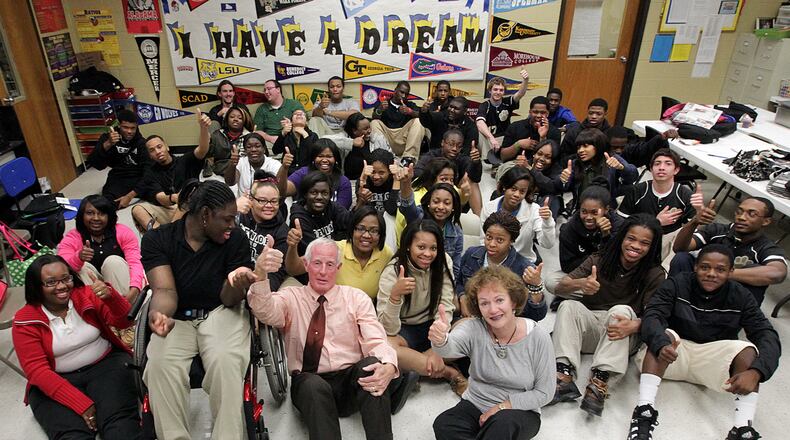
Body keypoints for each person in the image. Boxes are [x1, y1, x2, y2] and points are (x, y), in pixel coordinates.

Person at [248, 238, 418, 440]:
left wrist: (389, 365)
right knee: (312, 385)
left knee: (373, 365)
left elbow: (376, 338)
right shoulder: (290, 297)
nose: (323, 271)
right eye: (317, 263)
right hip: (309, 383)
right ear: (306, 265)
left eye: (330, 265)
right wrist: (260, 274)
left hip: (349, 382)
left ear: (338, 268)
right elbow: (264, 311)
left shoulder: (356, 298)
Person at [628, 244, 781, 440]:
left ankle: (742, 429)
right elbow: (653, 315)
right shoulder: (677, 284)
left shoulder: (741, 296)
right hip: (673, 355)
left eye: (720, 269)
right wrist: (660, 343)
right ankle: (643, 413)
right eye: (705, 267)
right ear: (695, 267)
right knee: (662, 334)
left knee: (747, 350)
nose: (711, 274)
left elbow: (766, 334)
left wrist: (757, 372)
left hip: (712, 364)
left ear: (731, 272)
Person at [141, 180, 255, 439]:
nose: (232, 225)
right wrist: (160, 314)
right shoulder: (157, 239)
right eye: (227, 219)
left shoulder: (235, 238)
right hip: (177, 317)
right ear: (205, 215)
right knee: (159, 365)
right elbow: (165, 291)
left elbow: (229, 300)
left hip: (219, 311)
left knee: (226, 361)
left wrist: (236, 283)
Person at [12, 254, 140, 440]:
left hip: (107, 366)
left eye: (66, 278)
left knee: (120, 425)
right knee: (71, 435)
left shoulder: (87, 295)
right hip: (55, 379)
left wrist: (111, 297)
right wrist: (82, 404)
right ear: (36, 287)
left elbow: (123, 322)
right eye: (51, 282)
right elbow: (37, 371)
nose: (62, 286)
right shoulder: (25, 320)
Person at [550, 214, 666, 417]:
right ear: (622, 237)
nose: (636, 246)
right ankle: (564, 376)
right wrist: (581, 284)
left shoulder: (655, 273)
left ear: (652, 247)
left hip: (622, 335)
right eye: (631, 238)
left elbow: (658, 315)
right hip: (593, 327)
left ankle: (599, 381)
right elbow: (560, 286)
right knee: (568, 305)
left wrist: (637, 325)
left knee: (621, 311)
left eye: (644, 243)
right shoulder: (600, 259)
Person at [431, 265, 555, 440]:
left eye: (499, 300)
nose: (493, 309)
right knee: (444, 424)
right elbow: (448, 348)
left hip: (518, 411)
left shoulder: (538, 337)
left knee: (501, 426)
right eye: (484, 303)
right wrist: (440, 339)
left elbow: (545, 393)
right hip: (476, 403)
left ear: (513, 301)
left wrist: (502, 406)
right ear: (478, 307)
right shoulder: (473, 328)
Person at [377, 220, 467, 395]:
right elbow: (388, 328)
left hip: (434, 325)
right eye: (421, 247)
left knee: (470, 327)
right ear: (408, 246)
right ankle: (450, 372)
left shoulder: (443, 261)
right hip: (404, 331)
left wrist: (439, 345)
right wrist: (395, 296)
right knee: (384, 347)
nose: (428, 254)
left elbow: (446, 306)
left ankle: (415, 368)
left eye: (433, 248)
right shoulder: (392, 272)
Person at [670, 196, 787, 305]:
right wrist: (694, 222)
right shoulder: (718, 230)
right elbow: (679, 248)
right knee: (682, 258)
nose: (741, 217)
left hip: (729, 303)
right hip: (699, 288)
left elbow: (777, 273)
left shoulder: (766, 247)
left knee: (756, 277)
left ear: (766, 221)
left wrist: (722, 273)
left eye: (752, 214)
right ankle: (675, 303)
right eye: (739, 212)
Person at [57, 194, 144, 317]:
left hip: (121, 289)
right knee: (80, 268)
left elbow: (135, 262)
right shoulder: (73, 237)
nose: (96, 218)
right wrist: (78, 258)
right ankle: (101, 316)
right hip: (93, 291)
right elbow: (61, 270)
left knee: (113, 261)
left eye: (101, 213)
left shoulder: (122, 232)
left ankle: (122, 314)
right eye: (90, 213)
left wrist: (135, 288)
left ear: (109, 216)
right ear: (82, 216)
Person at [455, 211, 548, 321]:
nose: (492, 244)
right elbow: (458, 282)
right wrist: (462, 297)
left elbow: (536, 316)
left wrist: (536, 286)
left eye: (500, 240)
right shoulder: (471, 254)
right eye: (489, 237)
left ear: (511, 241)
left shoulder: (524, 268)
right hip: (471, 317)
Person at [286, 206, 393, 300]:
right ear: (352, 231)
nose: (366, 235)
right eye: (360, 229)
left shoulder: (386, 254)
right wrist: (293, 246)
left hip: (365, 313)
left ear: (381, 235)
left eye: (374, 231)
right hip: (332, 310)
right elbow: (294, 269)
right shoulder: (334, 249)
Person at [131, 109, 211, 232]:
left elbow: (203, 149)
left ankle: (167, 236)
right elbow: (160, 198)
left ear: (167, 147)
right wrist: (174, 198)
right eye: (152, 150)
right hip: (168, 208)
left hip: (191, 209)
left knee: (187, 199)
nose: (157, 152)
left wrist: (203, 128)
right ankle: (162, 235)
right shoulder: (150, 173)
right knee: (137, 209)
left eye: (159, 146)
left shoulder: (184, 161)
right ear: (149, 156)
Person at [617, 149, 700, 260]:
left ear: (676, 170)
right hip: (639, 238)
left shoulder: (685, 195)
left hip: (669, 243)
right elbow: (621, 223)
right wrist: (656, 223)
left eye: (668, 163)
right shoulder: (637, 191)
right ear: (651, 169)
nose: (661, 167)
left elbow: (690, 232)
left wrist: (699, 214)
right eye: (657, 163)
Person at [546, 182, 623, 295]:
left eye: (594, 212)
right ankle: (595, 298)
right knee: (552, 282)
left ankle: (596, 298)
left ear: (606, 210)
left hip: (611, 275)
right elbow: (567, 266)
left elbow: (618, 259)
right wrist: (585, 277)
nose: (588, 217)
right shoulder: (569, 229)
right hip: (584, 275)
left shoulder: (619, 225)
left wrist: (606, 235)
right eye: (584, 212)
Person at [285, 171, 353, 284]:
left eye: (324, 193)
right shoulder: (299, 219)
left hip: (331, 265)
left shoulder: (331, 207)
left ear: (330, 195)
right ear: (305, 194)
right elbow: (318, 251)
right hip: (306, 274)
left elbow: (350, 222)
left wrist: (361, 201)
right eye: (314, 192)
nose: (319, 197)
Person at [480, 167, 556, 264]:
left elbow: (547, 244)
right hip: (493, 260)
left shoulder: (533, 210)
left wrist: (547, 222)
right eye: (513, 189)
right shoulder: (489, 208)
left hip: (521, 262)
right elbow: (483, 241)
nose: (517, 194)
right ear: (504, 187)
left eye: (522, 191)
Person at [399, 177, 465, 275]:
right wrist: (405, 183)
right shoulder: (419, 218)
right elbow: (407, 207)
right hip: (412, 274)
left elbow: (455, 267)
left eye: (447, 203)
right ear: (429, 202)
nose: (441, 207)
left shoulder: (457, 231)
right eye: (436, 201)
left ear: (453, 207)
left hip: (439, 279)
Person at [562, 127, 638, 213]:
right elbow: (563, 187)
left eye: (585, 146)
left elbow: (633, 176)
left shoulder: (611, 158)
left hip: (606, 210)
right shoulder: (576, 163)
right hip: (581, 209)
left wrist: (622, 168)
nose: (580, 150)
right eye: (578, 147)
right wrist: (563, 180)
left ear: (598, 145)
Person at [86, 109, 148, 208]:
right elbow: (96, 164)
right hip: (119, 176)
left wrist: (130, 196)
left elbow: (148, 172)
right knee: (105, 204)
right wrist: (107, 144)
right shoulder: (107, 138)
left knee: (158, 192)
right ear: (119, 125)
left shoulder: (142, 143)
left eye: (133, 128)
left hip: (138, 176)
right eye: (125, 127)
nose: (129, 131)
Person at [237, 172, 289, 291]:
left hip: (258, 284)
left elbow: (276, 275)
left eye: (274, 201)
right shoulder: (239, 216)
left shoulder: (282, 232)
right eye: (262, 200)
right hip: (233, 275)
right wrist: (233, 209)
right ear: (251, 199)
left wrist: (256, 288)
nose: (269, 205)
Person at [414, 129, 482, 215]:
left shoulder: (462, 159)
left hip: (455, 197)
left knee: (471, 180)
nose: (454, 149)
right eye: (451, 144)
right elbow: (417, 173)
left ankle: (480, 220)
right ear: (442, 143)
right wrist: (438, 180)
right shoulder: (431, 156)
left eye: (459, 146)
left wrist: (476, 162)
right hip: (432, 194)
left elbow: (476, 178)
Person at [492, 96, 561, 181]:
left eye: (543, 113)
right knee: (506, 171)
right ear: (530, 112)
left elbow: (553, 161)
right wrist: (518, 144)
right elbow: (503, 157)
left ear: (548, 114)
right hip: (516, 165)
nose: (539, 116)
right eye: (535, 112)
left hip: (541, 168)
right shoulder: (515, 126)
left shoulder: (555, 132)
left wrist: (543, 137)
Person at [279, 138, 353, 209]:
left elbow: (342, 212)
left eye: (329, 156)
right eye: (320, 156)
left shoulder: (343, 181)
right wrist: (284, 167)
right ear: (313, 159)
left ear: (335, 159)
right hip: (304, 219)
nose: (324, 160)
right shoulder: (303, 173)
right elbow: (282, 192)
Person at [476, 71, 529, 156]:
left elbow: (520, 94)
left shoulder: (507, 102)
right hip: (489, 138)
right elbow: (480, 123)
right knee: (479, 134)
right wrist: (491, 138)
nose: (498, 92)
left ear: (504, 92)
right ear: (490, 91)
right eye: (495, 89)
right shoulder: (485, 105)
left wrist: (526, 80)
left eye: (501, 90)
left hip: (505, 138)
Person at [371, 80, 425, 163]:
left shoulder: (409, 105)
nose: (403, 96)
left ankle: (408, 158)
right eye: (402, 92)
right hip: (387, 139)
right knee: (374, 122)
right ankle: (382, 157)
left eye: (406, 94)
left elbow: (423, 116)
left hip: (402, 139)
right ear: (395, 90)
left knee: (418, 121)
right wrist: (380, 110)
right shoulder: (384, 103)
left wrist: (410, 112)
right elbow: (374, 117)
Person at [515, 139, 565, 218]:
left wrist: (531, 169)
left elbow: (552, 187)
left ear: (553, 161)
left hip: (543, 205)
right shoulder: (525, 163)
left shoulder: (557, 170)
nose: (541, 159)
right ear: (534, 154)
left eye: (547, 157)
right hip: (524, 203)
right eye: (539, 154)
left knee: (551, 199)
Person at [224, 132, 282, 197]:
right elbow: (230, 182)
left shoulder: (274, 164)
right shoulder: (241, 162)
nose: (253, 150)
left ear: (264, 149)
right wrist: (232, 165)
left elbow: (280, 189)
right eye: (249, 147)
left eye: (257, 146)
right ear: (245, 150)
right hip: (245, 204)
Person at [253, 79, 305, 145]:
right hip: (270, 142)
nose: (266, 92)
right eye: (264, 90)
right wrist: (271, 138)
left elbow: (303, 121)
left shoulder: (294, 104)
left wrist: (291, 124)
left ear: (278, 89)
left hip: (292, 138)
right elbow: (257, 131)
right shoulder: (262, 109)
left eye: (269, 89)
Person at [341, 112, 391, 180]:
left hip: (372, 181)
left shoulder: (378, 139)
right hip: (349, 181)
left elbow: (390, 158)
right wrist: (351, 142)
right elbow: (325, 139)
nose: (369, 131)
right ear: (354, 130)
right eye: (365, 129)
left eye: (369, 127)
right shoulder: (344, 139)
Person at [206, 105, 253, 177]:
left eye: (240, 118)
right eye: (232, 117)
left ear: (244, 121)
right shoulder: (217, 135)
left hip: (243, 175)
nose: (235, 119)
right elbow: (208, 157)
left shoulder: (250, 137)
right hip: (219, 175)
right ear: (227, 119)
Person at [560, 98, 611, 162]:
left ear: (605, 114)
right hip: (576, 166)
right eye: (591, 113)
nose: (594, 116)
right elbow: (563, 156)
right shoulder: (574, 131)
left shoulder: (610, 133)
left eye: (598, 114)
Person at [271, 108, 318, 175]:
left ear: (307, 122)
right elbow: (275, 150)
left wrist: (305, 135)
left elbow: (315, 155)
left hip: (307, 172)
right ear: (291, 122)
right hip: (289, 172)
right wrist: (283, 133)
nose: (299, 114)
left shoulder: (313, 136)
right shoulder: (287, 135)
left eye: (302, 114)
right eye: (295, 114)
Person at [607, 125, 677, 169]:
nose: (619, 151)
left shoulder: (628, 150)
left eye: (622, 147)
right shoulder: (600, 150)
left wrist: (661, 138)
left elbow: (644, 148)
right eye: (615, 147)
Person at [355, 148, 400, 217]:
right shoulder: (363, 180)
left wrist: (396, 181)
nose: (376, 177)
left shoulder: (395, 181)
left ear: (389, 171)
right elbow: (361, 210)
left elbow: (391, 210)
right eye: (373, 172)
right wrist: (363, 181)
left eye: (381, 173)